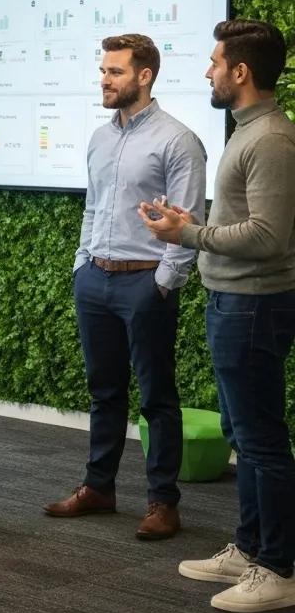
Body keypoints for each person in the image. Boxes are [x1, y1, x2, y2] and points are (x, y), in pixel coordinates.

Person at [139, 19, 295, 613]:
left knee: (260, 441)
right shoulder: (248, 132)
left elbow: (268, 237)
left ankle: (277, 567)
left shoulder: (272, 140)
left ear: (240, 72)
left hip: (256, 304)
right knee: (242, 432)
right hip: (233, 300)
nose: (207, 71)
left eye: (213, 62)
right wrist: (190, 223)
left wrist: (191, 232)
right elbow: (245, 220)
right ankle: (252, 547)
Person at [44, 33, 206, 540]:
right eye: (103, 70)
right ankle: (99, 488)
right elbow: (93, 208)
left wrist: (164, 281)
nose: (104, 80)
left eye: (114, 72)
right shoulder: (100, 137)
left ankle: (163, 501)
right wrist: (81, 265)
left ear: (144, 76)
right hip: (96, 279)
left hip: (144, 283)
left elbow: (189, 220)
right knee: (104, 391)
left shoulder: (177, 140)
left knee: (157, 397)